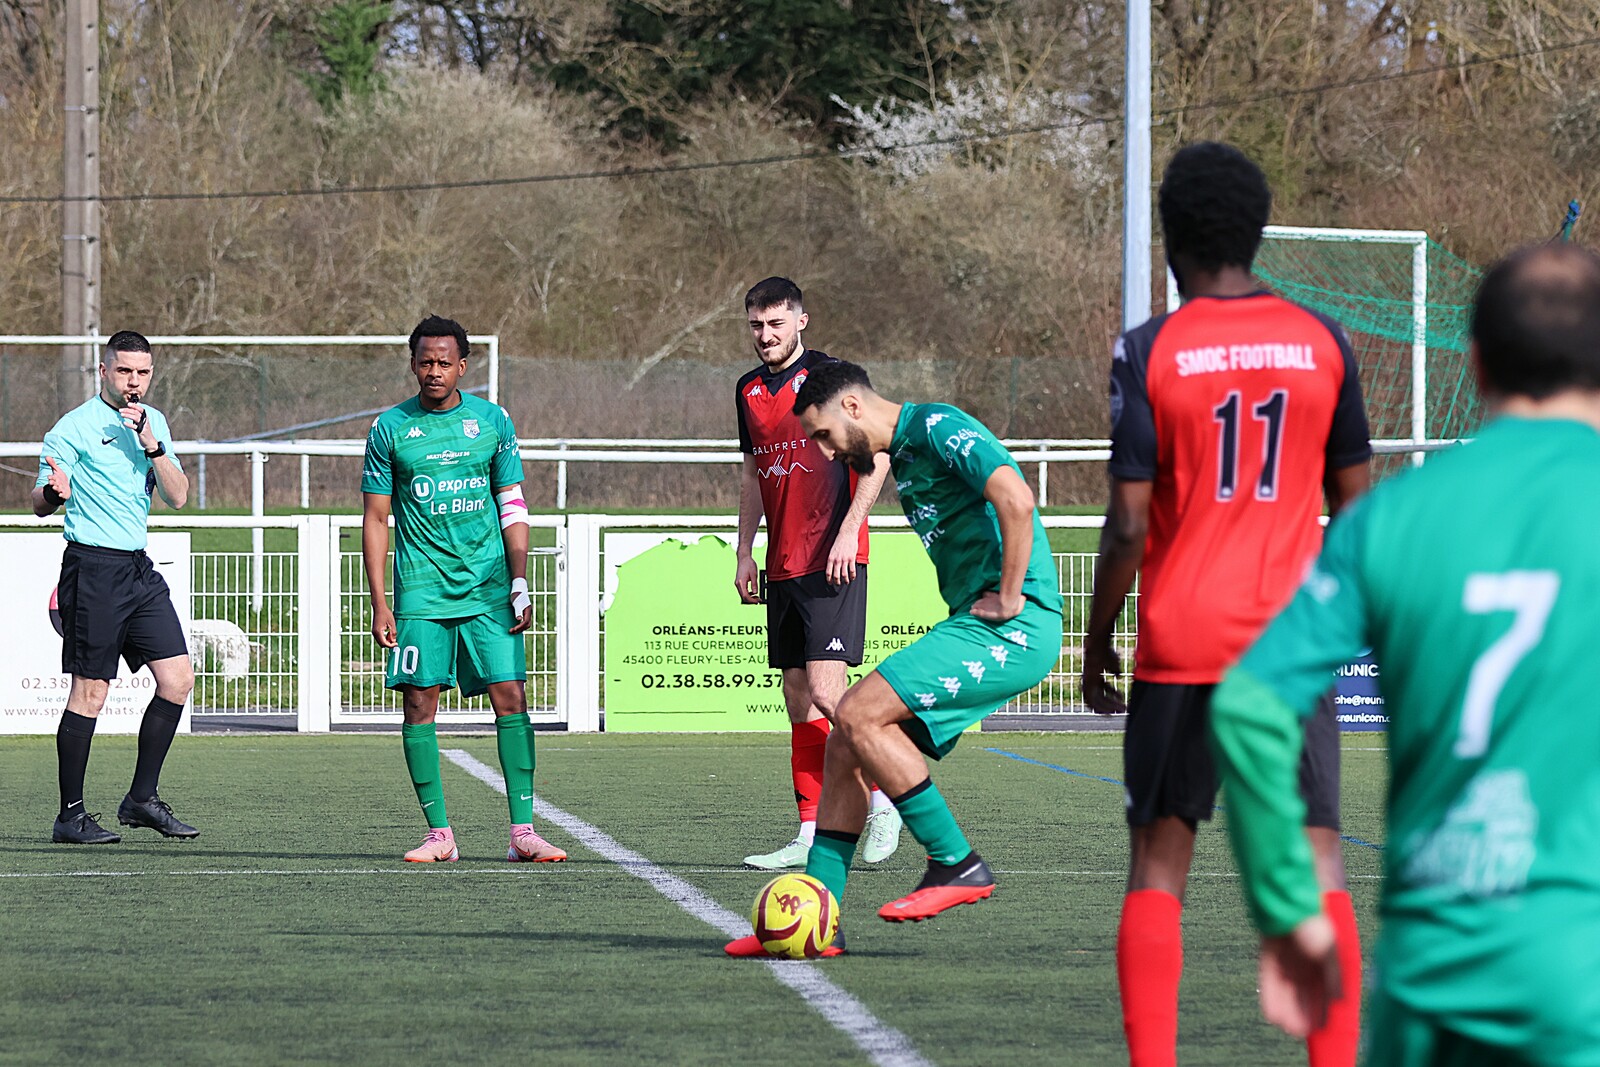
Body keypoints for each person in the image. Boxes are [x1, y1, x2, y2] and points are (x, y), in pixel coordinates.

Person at [1212, 243, 1600, 1067]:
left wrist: (1287, 906)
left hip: (1428, 975)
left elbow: (1248, 705)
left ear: (1476, 363)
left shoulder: (1391, 517)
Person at [1081, 142, 1372, 1067]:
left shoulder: (1147, 349)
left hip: (1182, 645)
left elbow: (1129, 523)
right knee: (1318, 863)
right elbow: (1358, 508)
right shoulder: (1325, 341)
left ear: (1170, 237)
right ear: (1258, 229)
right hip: (1290, 649)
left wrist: (1096, 639)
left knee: (1159, 866)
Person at [725, 360, 1064, 957]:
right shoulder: (902, 454)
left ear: (852, 407)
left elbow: (1015, 497)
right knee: (845, 744)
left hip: (1015, 625)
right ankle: (821, 921)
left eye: (825, 435)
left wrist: (1012, 596)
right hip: (980, 625)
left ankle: (955, 862)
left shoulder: (936, 425)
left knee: (855, 711)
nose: (826, 452)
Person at [361, 315, 565, 864]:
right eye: (425, 362)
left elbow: (512, 504)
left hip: (489, 586)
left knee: (511, 697)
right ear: (413, 364)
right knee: (418, 702)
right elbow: (376, 519)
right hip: (421, 590)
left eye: (444, 362)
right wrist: (380, 602)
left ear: (463, 366)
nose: (434, 371)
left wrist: (519, 580)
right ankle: (439, 836)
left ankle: (523, 832)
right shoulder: (389, 428)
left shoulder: (493, 421)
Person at [732, 277, 901, 870]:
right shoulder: (748, 389)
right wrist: (744, 550)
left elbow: (877, 458)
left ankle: (887, 798)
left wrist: (851, 531)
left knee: (829, 693)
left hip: (833, 560)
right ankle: (809, 831)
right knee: (799, 700)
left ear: (801, 321)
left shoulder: (832, 377)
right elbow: (753, 473)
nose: (765, 335)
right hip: (782, 564)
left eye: (776, 324)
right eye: (756, 325)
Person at [34, 330, 198, 844]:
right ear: (103, 371)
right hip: (93, 569)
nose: (133, 381)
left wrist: (153, 445)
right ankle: (70, 816)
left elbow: (178, 496)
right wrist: (53, 494)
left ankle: (141, 799)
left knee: (178, 679)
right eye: (124, 370)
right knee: (91, 692)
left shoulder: (155, 422)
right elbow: (38, 502)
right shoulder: (72, 428)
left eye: (142, 372)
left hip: (137, 570)